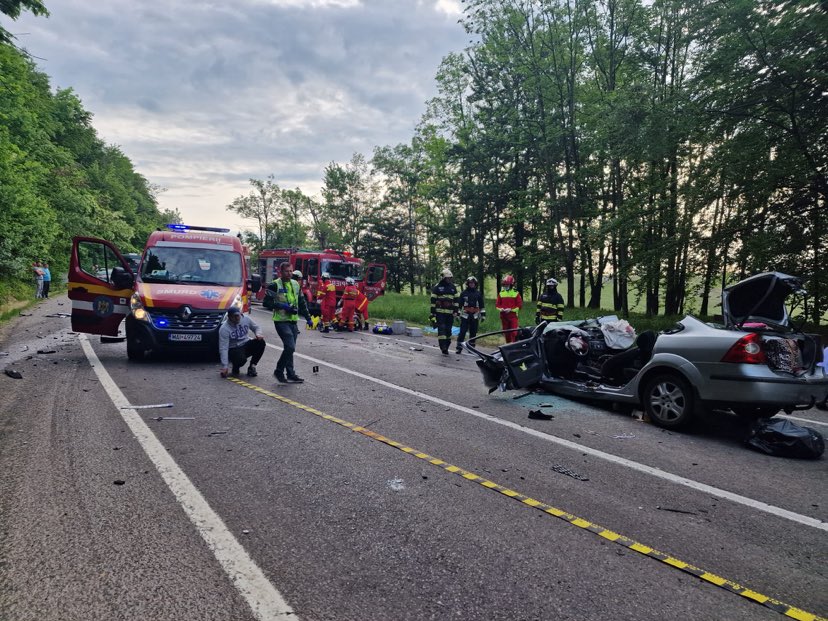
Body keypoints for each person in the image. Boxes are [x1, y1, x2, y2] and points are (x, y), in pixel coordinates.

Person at [269, 262, 313, 383]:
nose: (289, 273)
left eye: (290, 271)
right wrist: (282, 306)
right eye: (286, 271)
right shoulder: (274, 285)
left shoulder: (295, 284)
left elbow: (302, 302)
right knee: (290, 347)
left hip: (293, 321)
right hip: (281, 321)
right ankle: (278, 371)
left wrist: (308, 318)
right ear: (280, 272)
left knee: (290, 349)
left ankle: (290, 373)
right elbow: (266, 303)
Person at [218, 306, 266, 378]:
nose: (237, 318)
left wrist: (258, 334)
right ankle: (236, 366)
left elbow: (256, 327)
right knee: (241, 360)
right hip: (234, 348)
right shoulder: (224, 328)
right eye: (235, 316)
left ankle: (252, 366)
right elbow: (223, 348)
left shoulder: (245, 319)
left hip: (245, 343)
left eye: (238, 315)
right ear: (229, 317)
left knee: (261, 342)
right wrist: (225, 366)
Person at [430, 268, 458, 355]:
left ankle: (447, 345)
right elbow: (433, 301)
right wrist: (433, 313)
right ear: (443, 278)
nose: (448, 279)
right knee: (441, 330)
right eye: (447, 278)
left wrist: (456, 311)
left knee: (448, 330)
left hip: (450, 313)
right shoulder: (437, 287)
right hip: (440, 313)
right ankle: (443, 347)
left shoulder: (453, 288)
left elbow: (457, 300)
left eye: (450, 278)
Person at [456, 275, 485, 354]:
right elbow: (459, 305)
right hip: (465, 315)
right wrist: (457, 314)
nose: (471, 284)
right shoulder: (463, 293)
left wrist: (483, 315)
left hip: (475, 315)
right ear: (467, 284)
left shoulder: (478, 294)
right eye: (470, 283)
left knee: (473, 333)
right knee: (462, 332)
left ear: (475, 284)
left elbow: (482, 305)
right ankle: (459, 347)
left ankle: (471, 348)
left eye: (473, 283)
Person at [496, 274, 523, 344]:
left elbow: (519, 306)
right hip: (503, 316)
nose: (505, 286)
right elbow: (497, 305)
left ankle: (514, 345)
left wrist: (510, 309)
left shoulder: (516, 294)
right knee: (506, 333)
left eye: (507, 285)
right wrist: (501, 309)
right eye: (504, 285)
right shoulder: (501, 293)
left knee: (514, 332)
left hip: (513, 316)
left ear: (511, 285)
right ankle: (508, 346)